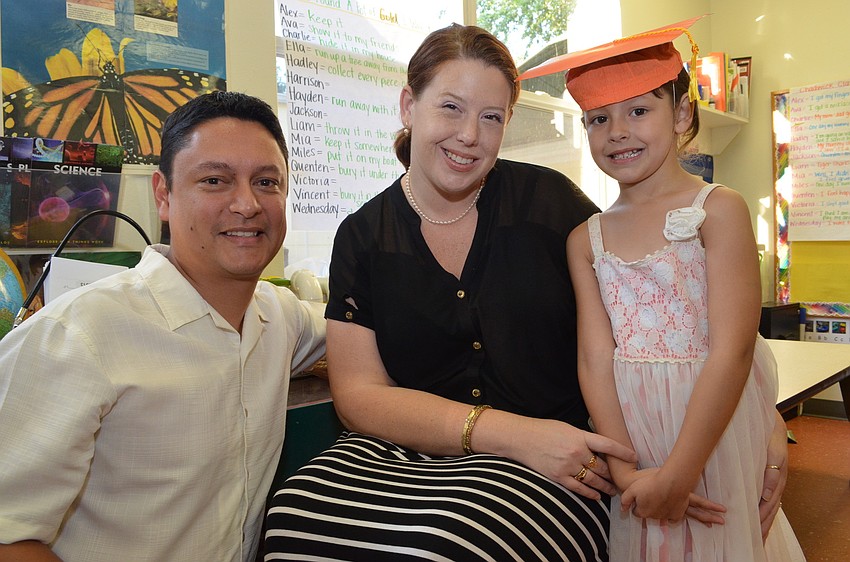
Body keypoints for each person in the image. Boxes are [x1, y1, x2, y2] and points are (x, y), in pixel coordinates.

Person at [264, 23, 789, 561]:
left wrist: (760, 417)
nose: (469, 134)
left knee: (446, 548)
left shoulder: (550, 206)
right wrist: (508, 433)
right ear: (408, 105)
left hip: (557, 465)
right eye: (450, 107)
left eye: (491, 117)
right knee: (291, 520)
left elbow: (671, 304)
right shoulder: (362, 235)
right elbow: (359, 396)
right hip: (407, 454)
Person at [522, 17, 806, 561]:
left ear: (680, 114)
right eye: (598, 119)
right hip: (634, 430)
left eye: (638, 110)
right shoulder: (586, 238)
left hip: (712, 428)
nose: (618, 131)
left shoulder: (716, 211)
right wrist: (627, 469)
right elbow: (594, 357)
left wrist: (682, 469)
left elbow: (735, 348)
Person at [0, 91, 326, 561]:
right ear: (163, 196)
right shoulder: (75, 337)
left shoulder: (280, 316)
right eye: (214, 180)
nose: (247, 204)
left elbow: (354, 340)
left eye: (267, 182)